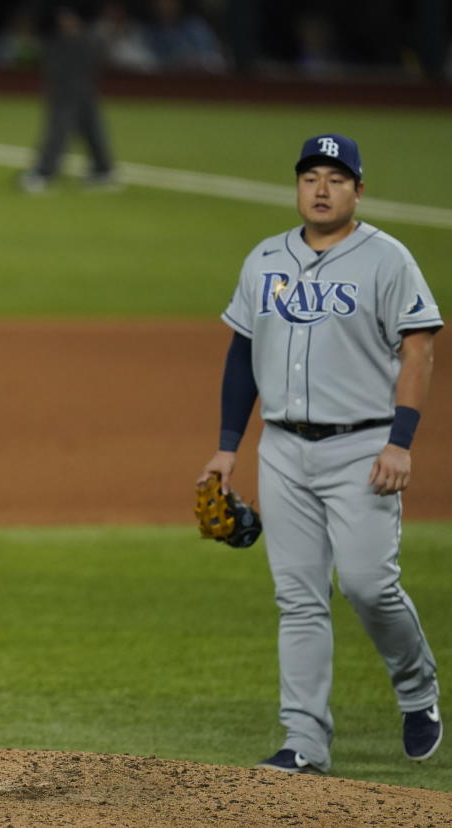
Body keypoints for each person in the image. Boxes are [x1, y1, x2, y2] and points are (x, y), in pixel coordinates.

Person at [198, 134, 442, 774]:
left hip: (364, 447)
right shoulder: (265, 260)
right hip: (283, 448)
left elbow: (418, 351)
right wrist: (228, 449)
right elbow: (241, 356)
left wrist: (400, 442)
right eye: (311, 177)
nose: (322, 188)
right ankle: (304, 741)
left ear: (358, 190)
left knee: (368, 586)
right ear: (298, 187)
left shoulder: (388, 260)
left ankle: (417, 688)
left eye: (336, 178)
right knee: (298, 597)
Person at [19, 3, 118, 193]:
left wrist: (72, 17)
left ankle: (44, 172)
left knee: (64, 106)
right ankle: (103, 168)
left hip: (72, 38)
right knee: (84, 106)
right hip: (71, 35)